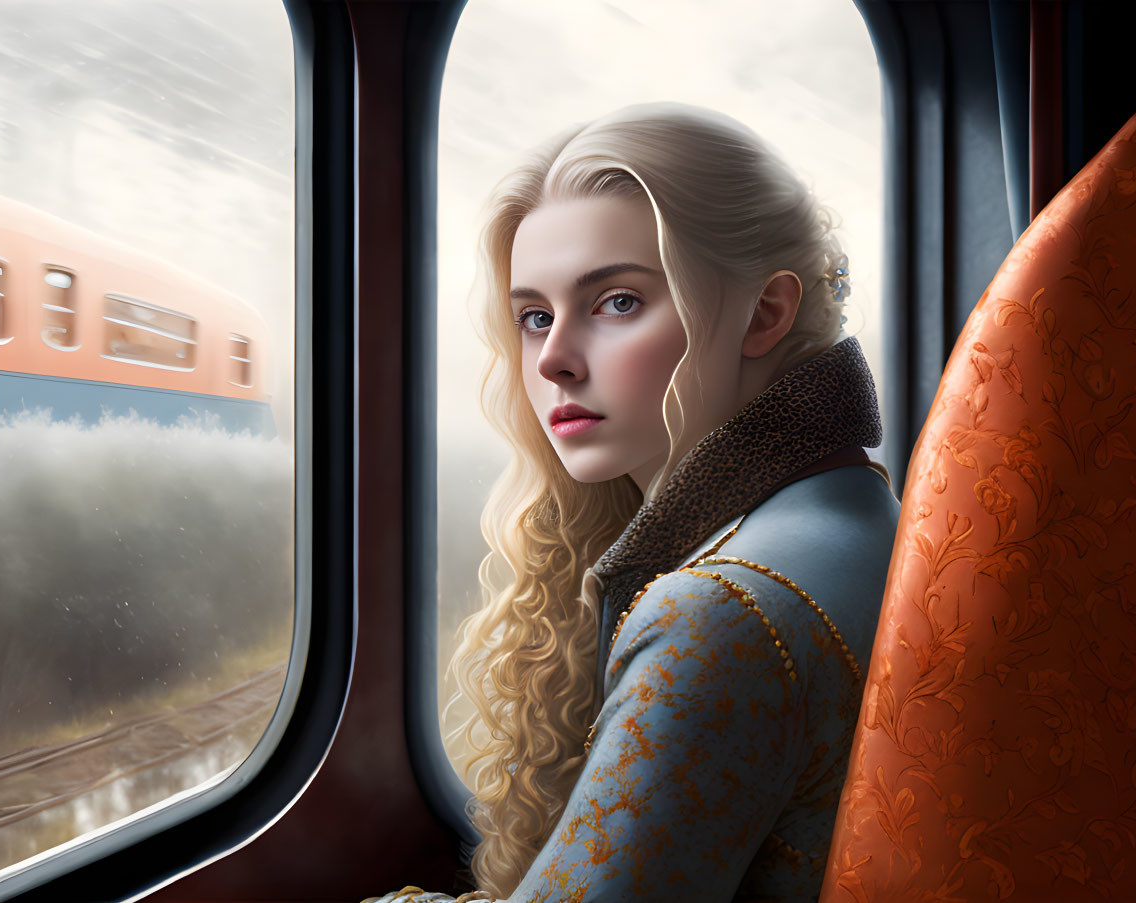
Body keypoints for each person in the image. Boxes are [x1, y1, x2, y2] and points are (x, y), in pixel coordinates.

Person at [370, 101, 899, 903]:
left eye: (615, 301)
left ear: (765, 312)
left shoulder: (721, 609)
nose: (552, 360)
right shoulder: (847, 501)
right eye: (534, 317)